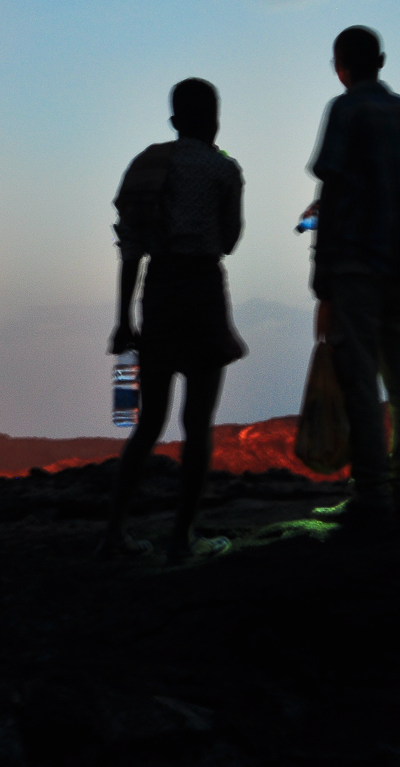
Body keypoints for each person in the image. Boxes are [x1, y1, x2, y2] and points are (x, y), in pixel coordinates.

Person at [103, 78, 246, 559]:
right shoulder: (224, 169)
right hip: (202, 290)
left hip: (159, 293)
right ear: (214, 119)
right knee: (198, 423)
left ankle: (114, 534)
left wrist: (123, 320)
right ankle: (182, 539)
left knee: (149, 424)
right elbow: (228, 240)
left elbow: (130, 249)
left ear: (173, 121)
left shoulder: (146, 166)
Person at [307, 25, 400, 527]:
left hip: (357, 265)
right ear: (381, 60)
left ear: (339, 66)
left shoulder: (345, 110)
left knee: (360, 380)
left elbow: (334, 195)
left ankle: (371, 495)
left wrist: (322, 279)